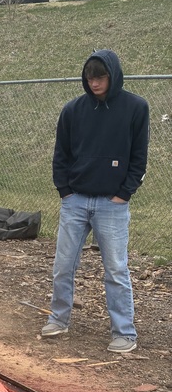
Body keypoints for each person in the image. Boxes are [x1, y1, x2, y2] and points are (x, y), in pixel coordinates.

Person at [41, 49, 149, 353]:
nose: (94, 83)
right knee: (63, 265)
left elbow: (139, 158)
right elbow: (61, 154)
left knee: (115, 268)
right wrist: (65, 190)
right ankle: (58, 319)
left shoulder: (135, 108)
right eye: (89, 77)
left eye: (100, 76)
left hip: (112, 205)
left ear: (112, 75)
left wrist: (123, 194)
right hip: (75, 200)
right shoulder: (73, 110)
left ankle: (124, 332)